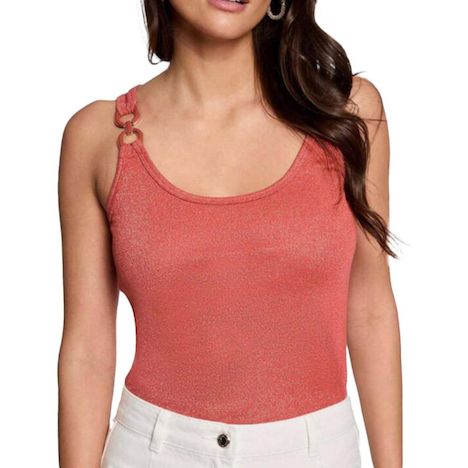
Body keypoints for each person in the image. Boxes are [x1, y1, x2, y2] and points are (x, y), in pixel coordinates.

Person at [57, 1, 403, 467]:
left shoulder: (346, 113)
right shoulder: (98, 138)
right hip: (154, 452)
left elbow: (371, 308)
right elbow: (87, 349)